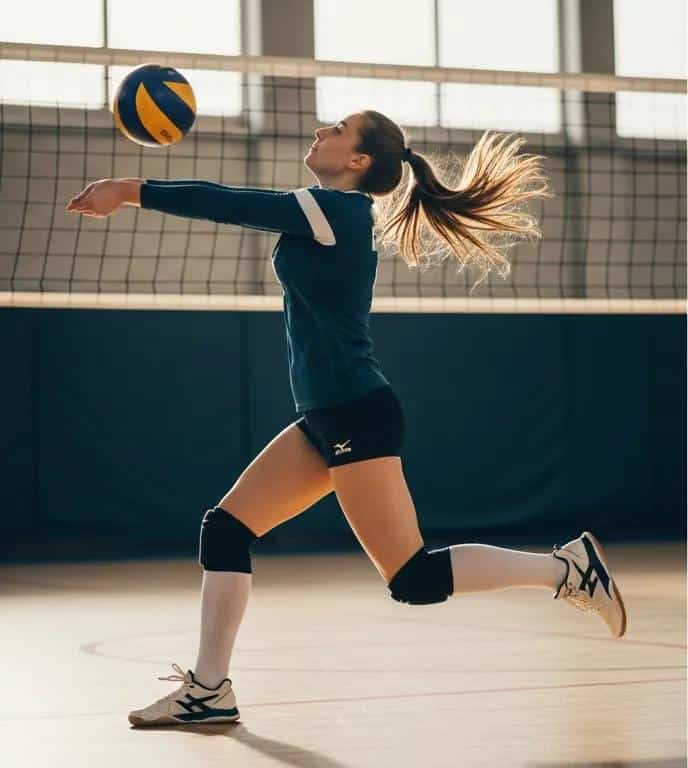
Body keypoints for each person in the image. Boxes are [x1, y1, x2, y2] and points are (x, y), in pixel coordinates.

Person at [66, 111, 626, 727]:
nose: (319, 131)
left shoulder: (337, 211)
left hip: (356, 411)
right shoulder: (330, 213)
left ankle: (566, 569)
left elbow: (230, 203)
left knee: (411, 576)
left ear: (358, 161)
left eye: (336, 129)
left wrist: (129, 190)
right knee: (224, 530)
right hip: (326, 417)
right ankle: (209, 689)